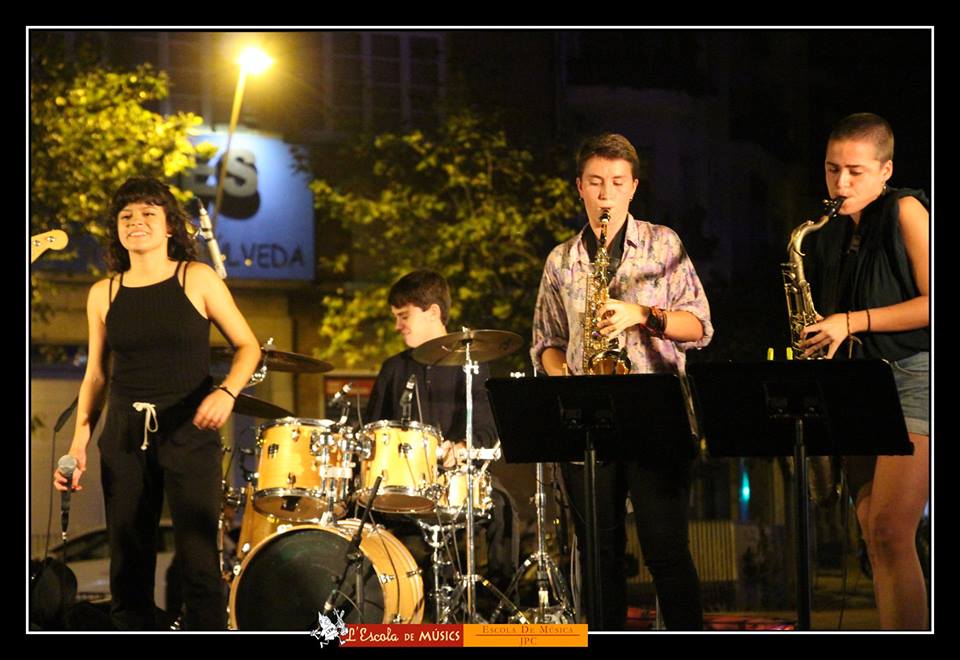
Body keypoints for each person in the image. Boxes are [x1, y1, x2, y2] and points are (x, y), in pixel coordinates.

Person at [53, 177, 261, 630]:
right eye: (126, 216)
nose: (136, 221)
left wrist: (227, 392)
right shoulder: (103, 293)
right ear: (117, 229)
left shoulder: (196, 277)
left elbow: (248, 347)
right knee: (128, 562)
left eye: (148, 213)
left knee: (198, 560)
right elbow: (96, 375)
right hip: (125, 435)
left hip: (190, 431)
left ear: (169, 226)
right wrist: (78, 445)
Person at [531, 133, 713, 630]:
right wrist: (563, 376)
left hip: (655, 417)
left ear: (633, 187)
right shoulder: (561, 260)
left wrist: (642, 314)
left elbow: (700, 328)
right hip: (588, 421)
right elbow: (545, 340)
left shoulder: (664, 243)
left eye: (616, 182)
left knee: (667, 553)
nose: (605, 193)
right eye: (595, 182)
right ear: (580, 187)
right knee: (598, 558)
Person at [801, 113, 930, 629]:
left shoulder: (906, 210)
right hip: (856, 384)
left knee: (892, 531)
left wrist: (852, 321)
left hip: (910, 375)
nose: (841, 183)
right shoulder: (827, 232)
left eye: (855, 171)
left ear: (886, 170)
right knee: (872, 535)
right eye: (833, 169)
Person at [365, 269, 518, 606]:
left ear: (433, 312)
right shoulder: (393, 368)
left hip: (455, 481)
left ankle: (497, 605)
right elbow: (372, 433)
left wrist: (461, 448)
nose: (397, 326)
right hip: (401, 486)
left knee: (503, 506)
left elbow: (487, 429)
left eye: (404, 316)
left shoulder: (472, 364)